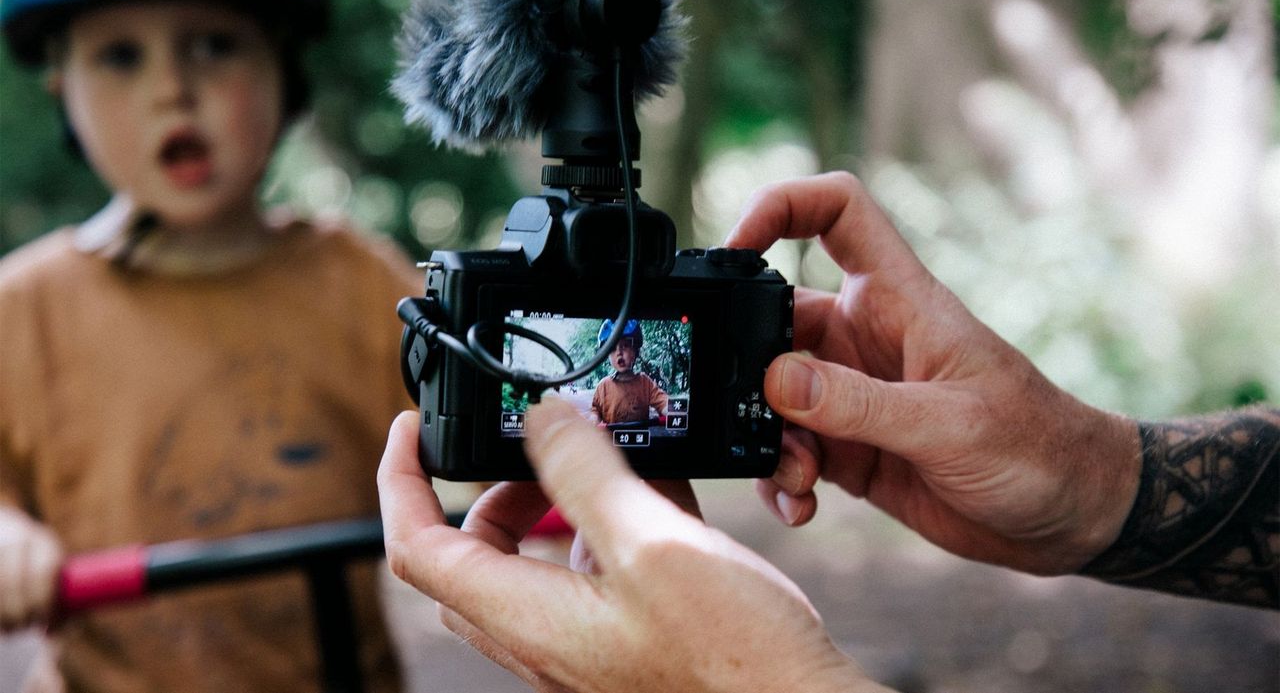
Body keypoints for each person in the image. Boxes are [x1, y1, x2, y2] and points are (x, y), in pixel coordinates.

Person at [377, 171, 1278, 692]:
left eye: (618, 361)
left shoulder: (648, 384)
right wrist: (1099, 482)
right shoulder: (616, 385)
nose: (612, 371)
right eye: (605, 364)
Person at [0, 0, 419, 691]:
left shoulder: (362, 283)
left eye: (215, 45)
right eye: (121, 57)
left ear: (282, 71)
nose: (172, 89)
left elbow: (476, 441)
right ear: (62, 92)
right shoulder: (25, 308)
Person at [589, 320, 669, 426]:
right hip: (612, 440)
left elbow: (663, 402)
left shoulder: (645, 382)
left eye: (625, 346)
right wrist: (594, 420)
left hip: (640, 439)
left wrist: (672, 411)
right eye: (612, 349)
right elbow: (595, 410)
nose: (619, 353)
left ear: (635, 351)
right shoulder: (603, 386)